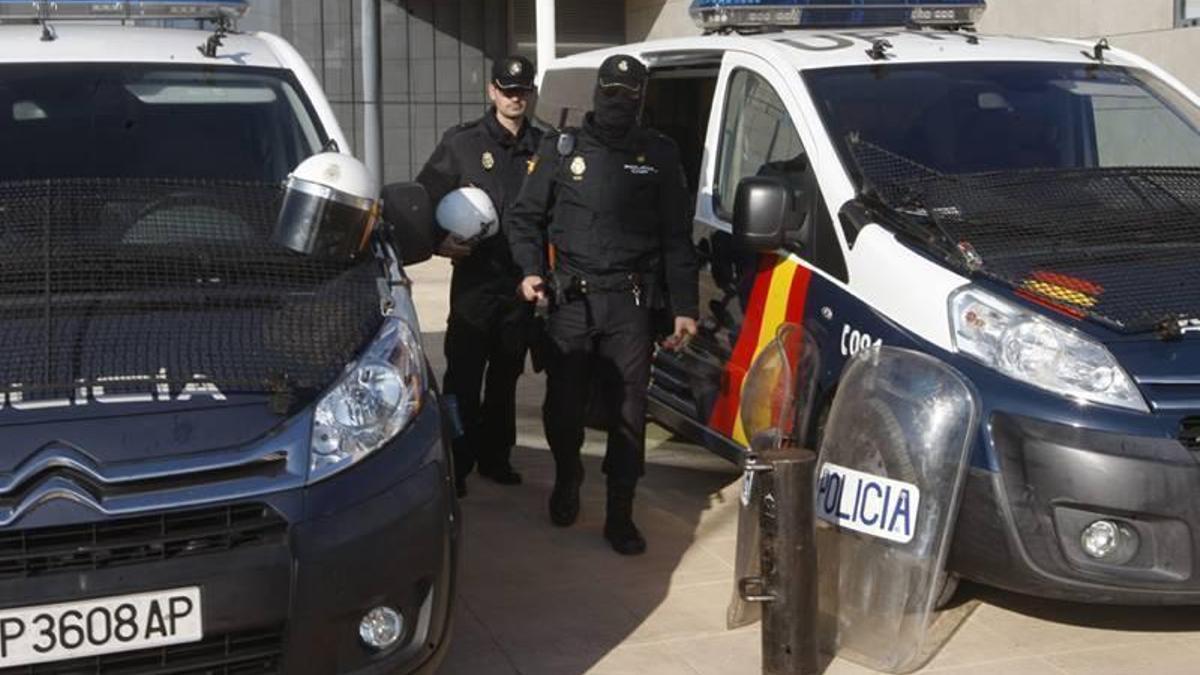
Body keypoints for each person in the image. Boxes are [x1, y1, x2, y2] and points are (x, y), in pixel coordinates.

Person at [506, 54, 699, 555]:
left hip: (631, 303)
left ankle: (620, 511)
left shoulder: (659, 153)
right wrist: (530, 271)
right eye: (611, 92)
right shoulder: (561, 148)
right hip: (572, 299)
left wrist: (684, 306)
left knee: (629, 410)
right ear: (597, 93)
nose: (619, 102)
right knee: (564, 404)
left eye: (629, 94)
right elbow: (525, 218)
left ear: (641, 98)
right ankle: (568, 476)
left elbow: (676, 237)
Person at [417, 55, 543, 497]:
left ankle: (496, 457)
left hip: (520, 283)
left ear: (530, 93)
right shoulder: (463, 144)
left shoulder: (543, 147)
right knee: (464, 376)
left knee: (507, 376)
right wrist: (437, 241)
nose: (515, 97)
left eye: (522, 90)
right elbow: (424, 197)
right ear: (491, 91)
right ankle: (457, 460)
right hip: (475, 279)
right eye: (507, 89)